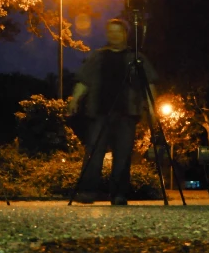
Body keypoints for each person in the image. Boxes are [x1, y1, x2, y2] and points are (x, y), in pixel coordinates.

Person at [67, 18, 158, 206]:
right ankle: (87, 191)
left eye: (118, 31)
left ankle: (118, 194)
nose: (114, 35)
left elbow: (148, 84)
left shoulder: (137, 57)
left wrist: (152, 107)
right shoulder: (97, 56)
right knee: (93, 153)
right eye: (111, 31)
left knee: (123, 155)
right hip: (99, 112)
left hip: (127, 113)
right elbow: (84, 81)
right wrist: (75, 99)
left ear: (125, 34)